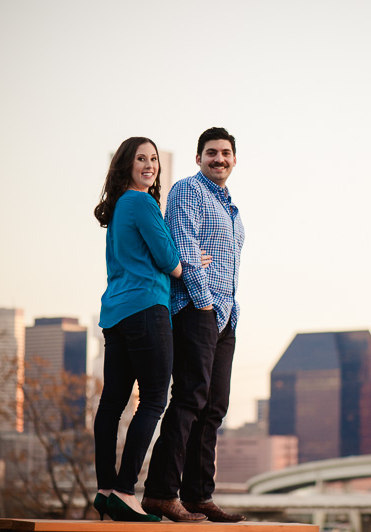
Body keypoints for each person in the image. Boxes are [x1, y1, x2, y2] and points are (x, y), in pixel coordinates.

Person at [92, 137, 209, 522]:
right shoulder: (141, 202)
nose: (150, 165)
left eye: (154, 159)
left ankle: (106, 488)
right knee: (156, 398)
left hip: (116, 312)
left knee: (112, 402)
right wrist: (188, 261)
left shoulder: (119, 208)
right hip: (146, 308)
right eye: (141, 158)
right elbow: (169, 260)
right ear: (126, 165)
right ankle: (127, 491)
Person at [142, 127, 246, 522]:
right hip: (196, 312)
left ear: (234, 159)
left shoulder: (233, 211)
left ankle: (198, 496)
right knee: (188, 400)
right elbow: (185, 248)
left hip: (226, 315)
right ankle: (160, 493)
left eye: (225, 153)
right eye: (211, 153)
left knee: (214, 407)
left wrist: (226, 312)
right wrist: (203, 307)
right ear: (199, 158)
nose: (219, 159)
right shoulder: (188, 191)